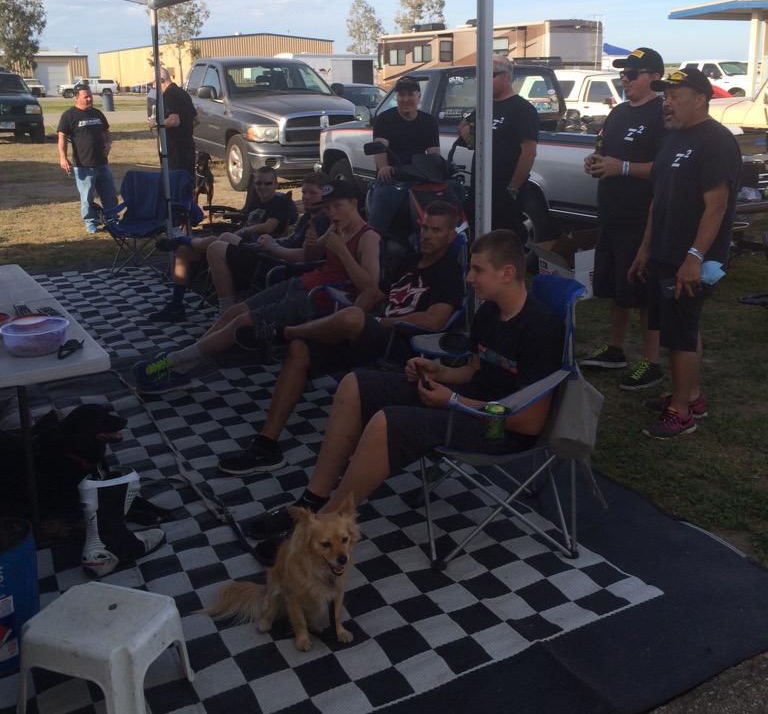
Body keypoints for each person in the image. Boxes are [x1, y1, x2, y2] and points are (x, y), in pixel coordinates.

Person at [248, 229, 563, 564]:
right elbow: (473, 371)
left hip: (500, 429)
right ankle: (314, 498)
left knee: (390, 423)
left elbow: (528, 422)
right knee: (357, 385)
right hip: (469, 404)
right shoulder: (488, 312)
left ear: (508, 273)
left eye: (477, 270)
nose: (469, 277)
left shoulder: (541, 328)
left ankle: (321, 529)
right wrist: (439, 371)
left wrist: (453, 401)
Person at [216, 201, 466, 475]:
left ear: (451, 235)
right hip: (368, 334)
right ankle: (266, 445)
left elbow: (435, 320)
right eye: (425, 228)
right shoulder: (410, 261)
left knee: (351, 318)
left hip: (401, 346)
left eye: (437, 230)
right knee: (300, 349)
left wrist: (374, 320)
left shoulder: (449, 273)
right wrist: (353, 313)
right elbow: (375, 293)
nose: (427, 235)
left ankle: (280, 332)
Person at [134, 179, 381, 393]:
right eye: (328, 207)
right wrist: (311, 242)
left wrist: (342, 253)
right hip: (301, 282)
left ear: (354, 203)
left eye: (338, 206)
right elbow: (309, 255)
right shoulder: (336, 228)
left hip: (320, 299)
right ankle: (185, 362)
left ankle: (177, 361)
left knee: (243, 322)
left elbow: (370, 287)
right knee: (235, 311)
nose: (333, 212)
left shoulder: (368, 237)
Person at [628, 68, 742, 439]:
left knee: (680, 332)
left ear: (701, 99)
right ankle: (690, 396)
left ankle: (681, 414)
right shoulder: (673, 139)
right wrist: (645, 247)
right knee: (679, 327)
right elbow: (658, 199)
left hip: (693, 259)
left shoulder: (715, 141)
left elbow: (717, 207)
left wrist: (694, 257)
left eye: (676, 95)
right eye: (665, 95)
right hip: (664, 252)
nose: (667, 102)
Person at [580, 47, 666, 390]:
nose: (625, 80)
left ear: (654, 77)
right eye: (623, 74)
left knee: (643, 289)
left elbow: (667, 169)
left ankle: (652, 361)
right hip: (612, 212)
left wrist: (623, 167)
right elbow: (605, 152)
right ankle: (615, 349)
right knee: (618, 285)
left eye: (633, 74)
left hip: (641, 216)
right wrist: (595, 161)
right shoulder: (617, 113)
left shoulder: (663, 114)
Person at [147, 165, 295, 322]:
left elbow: (269, 226)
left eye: (267, 183)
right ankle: (176, 306)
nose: (262, 187)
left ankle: (179, 239)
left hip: (257, 254)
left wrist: (242, 232)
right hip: (237, 247)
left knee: (217, 239)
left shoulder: (280, 202)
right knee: (184, 251)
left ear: (276, 183)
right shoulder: (256, 203)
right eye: (258, 183)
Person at [207, 171, 332, 307]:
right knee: (225, 237)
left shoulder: (323, 222)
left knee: (215, 249)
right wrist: (276, 242)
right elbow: (293, 240)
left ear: (326, 196)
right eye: (303, 192)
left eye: (312, 193)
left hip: (279, 265)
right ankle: (236, 294)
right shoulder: (309, 216)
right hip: (269, 254)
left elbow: (305, 255)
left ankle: (226, 308)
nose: (306, 197)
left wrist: (274, 246)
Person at [459, 56, 538, 245]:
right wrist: (468, 134)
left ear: (506, 77)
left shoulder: (523, 109)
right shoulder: (486, 106)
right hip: (480, 187)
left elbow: (528, 152)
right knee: (478, 240)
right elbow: (464, 126)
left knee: (503, 243)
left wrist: (512, 188)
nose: (484, 81)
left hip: (505, 190)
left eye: (490, 75)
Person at [367, 77, 441, 231]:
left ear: (418, 97)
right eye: (401, 95)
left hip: (420, 177)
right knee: (378, 221)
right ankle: (374, 245)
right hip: (393, 178)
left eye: (410, 95)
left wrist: (441, 169)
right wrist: (384, 167)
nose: (405, 99)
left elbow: (434, 152)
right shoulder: (384, 119)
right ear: (397, 97)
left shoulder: (429, 121)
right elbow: (380, 146)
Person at [57, 81, 118, 234]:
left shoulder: (97, 113)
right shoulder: (69, 116)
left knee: (109, 194)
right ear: (77, 97)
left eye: (90, 96)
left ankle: (112, 220)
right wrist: (63, 158)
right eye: (86, 97)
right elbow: (62, 138)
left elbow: (107, 132)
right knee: (87, 197)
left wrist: (108, 144)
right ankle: (91, 222)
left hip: (102, 164)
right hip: (83, 165)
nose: (89, 99)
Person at [148, 67, 197, 178]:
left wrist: (155, 123)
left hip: (175, 152)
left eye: (153, 84)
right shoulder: (183, 93)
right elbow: (196, 120)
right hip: (189, 148)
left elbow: (174, 120)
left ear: (161, 80)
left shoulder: (168, 95)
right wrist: (186, 131)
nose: (153, 87)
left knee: (174, 185)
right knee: (188, 184)